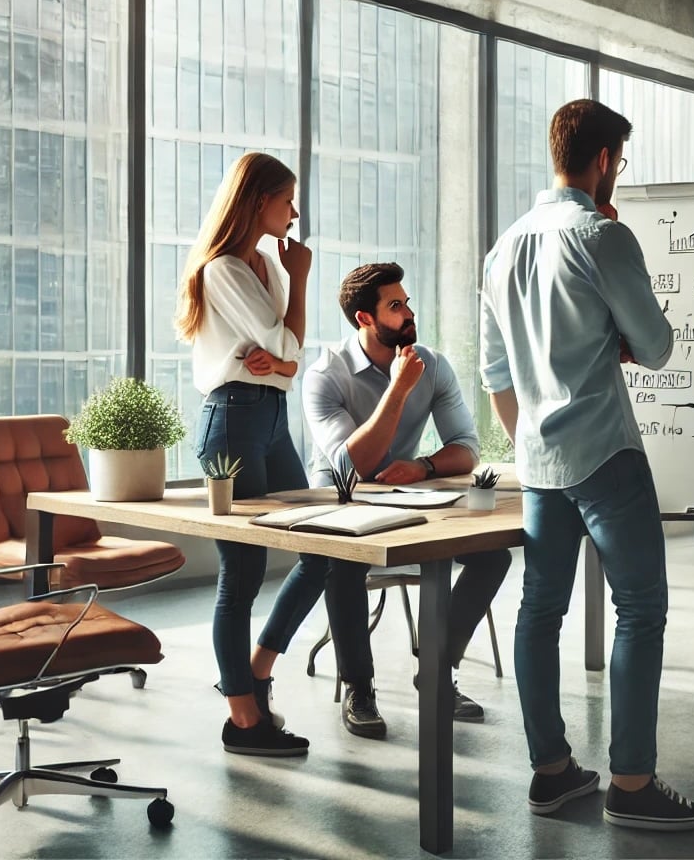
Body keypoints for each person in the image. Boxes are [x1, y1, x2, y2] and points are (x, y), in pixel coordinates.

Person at [480, 99, 694, 832]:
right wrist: (616, 335)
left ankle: (551, 773)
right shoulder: (601, 236)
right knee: (640, 610)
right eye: (621, 158)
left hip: (540, 463)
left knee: (538, 613)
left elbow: (496, 376)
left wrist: (533, 446)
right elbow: (656, 346)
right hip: (606, 455)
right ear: (605, 159)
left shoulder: (502, 248)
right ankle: (632, 784)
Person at [248, 262, 511, 739]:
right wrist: (398, 389)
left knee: (492, 556)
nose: (409, 313)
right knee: (342, 562)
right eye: (396, 306)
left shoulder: (432, 363)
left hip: (406, 495)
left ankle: (435, 668)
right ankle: (359, 689)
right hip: (340, 499)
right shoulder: (326, 375)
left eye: (406, 302)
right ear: (364, 320)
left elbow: (466, 448)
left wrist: (425, 466)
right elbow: (353, 466)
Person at [175, 151, 314, 758]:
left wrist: (281, 360)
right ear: (259, 201)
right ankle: (243, 721)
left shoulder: (268, 267)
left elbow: (290, 362)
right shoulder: (224, 269)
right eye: (287, 199)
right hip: (231, 421)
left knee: (320, 549)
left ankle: (255, 671)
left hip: (271, 418)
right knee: (243, 576)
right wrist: (283, 350)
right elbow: (287, 343)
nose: (294, 211)